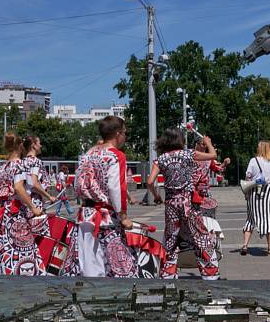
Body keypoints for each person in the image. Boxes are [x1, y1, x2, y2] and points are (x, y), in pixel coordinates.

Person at [64, 116, 137, 278]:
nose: (125, 136)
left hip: (85, 214)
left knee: (89, 263)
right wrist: (123, 215)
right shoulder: (116, 155)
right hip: (105, 217)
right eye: (125, 133)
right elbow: (116, 187)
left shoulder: (89, 153)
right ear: (118, 133)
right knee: (118, 264)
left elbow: (77, 181)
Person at [148, 127, 219, 279]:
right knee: (200, 237)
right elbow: (213, 155)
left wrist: (156, 196)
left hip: (171, 205)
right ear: (181, 140)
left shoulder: (160, 159)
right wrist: (208, 143)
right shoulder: (188, 154)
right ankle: (210, 274)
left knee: (171, 240)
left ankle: (168, 275)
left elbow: (149, 181)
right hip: (189, 204)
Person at [0, 133, 45, 276]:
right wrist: (32, 207)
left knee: (5, 249)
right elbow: (19, 188)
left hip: (5, 216)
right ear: (21, 146)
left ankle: (6, 274)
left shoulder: (2, 168)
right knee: (24, 250)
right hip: (18, 216)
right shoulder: (19, 165)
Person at [240, 140, 270, 255]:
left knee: (250, 218)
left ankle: (245, 245)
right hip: (268, 192)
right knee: (269, 218)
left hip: (254, 192)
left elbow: (248, 176)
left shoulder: (253, 160)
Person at [21, 135, 55, 236]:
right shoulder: (36, 161)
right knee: (41, 235)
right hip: (35, 203)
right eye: (39, 143)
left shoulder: (22, 162)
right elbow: (34, 183)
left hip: (25, 203)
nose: (41, 145)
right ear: (33, 146)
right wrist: (49, 196)